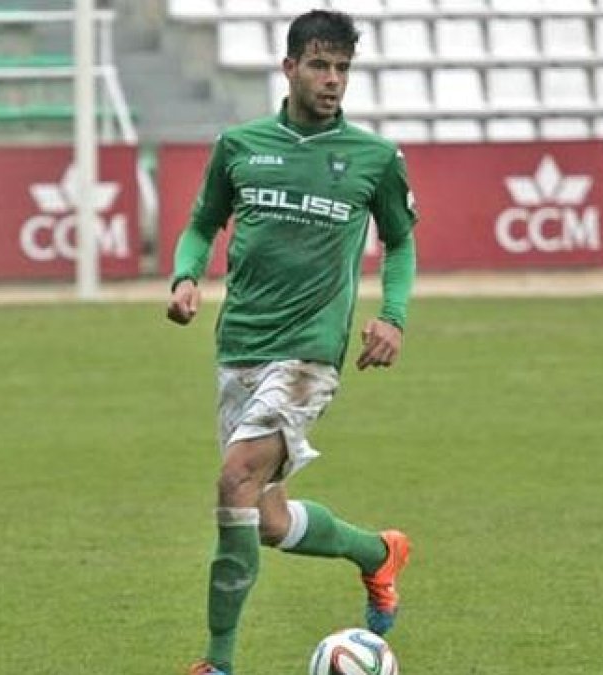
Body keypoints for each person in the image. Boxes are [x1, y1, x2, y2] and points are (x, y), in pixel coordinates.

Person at [166, 10, 417, 675]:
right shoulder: (240, 146)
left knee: (234, 477)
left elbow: (401, 240)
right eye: (320, 65)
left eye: (342, 68)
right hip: (240, 346)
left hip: (310, 354)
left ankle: (216, 662)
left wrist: (392, 315)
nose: (333, 80)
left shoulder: (374, 159)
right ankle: (376, 552)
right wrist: (186, 275)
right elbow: (201, 224)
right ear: (289, 68)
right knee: (269, 520)